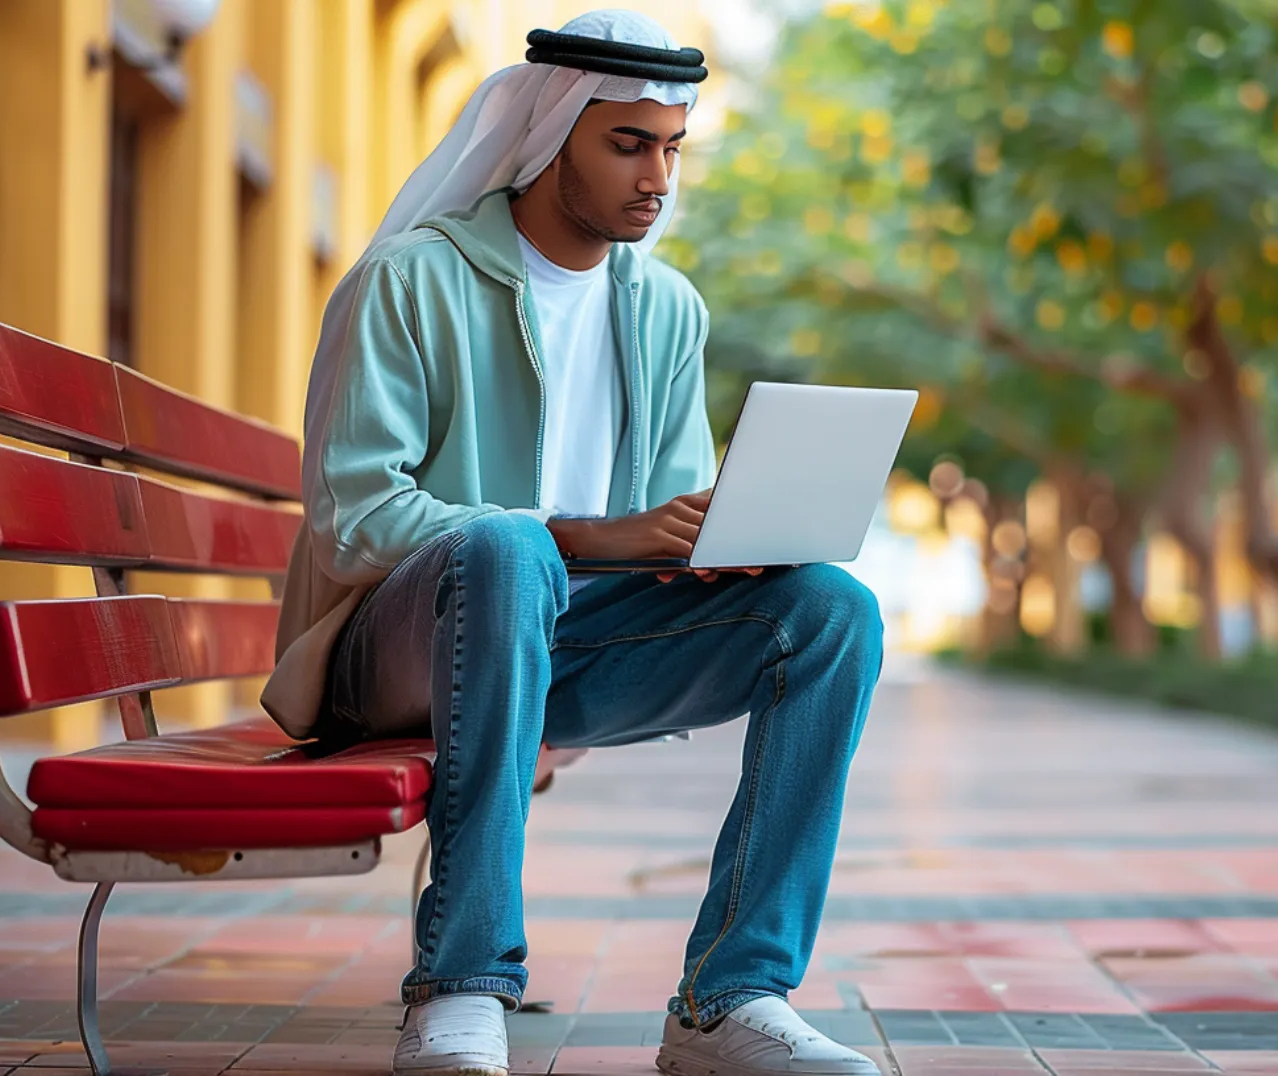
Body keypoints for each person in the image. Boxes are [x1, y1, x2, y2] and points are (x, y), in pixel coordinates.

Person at [259, 10, 885, 1076]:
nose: (658, 177)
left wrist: (716, 542)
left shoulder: (668, 311)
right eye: (628, 143)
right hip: (398, 650)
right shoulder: (413, 280)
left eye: (672, 148)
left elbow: (662, 512)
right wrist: (581, 533)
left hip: (559, 647)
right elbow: (355, 518)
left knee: (831, 611)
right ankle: (460, 982)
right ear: (551, 136)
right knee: (511, 551)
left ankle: (730, 996)